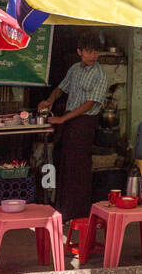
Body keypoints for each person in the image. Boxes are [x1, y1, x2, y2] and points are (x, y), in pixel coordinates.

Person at [38, 34, 108, 222]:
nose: (93, 55)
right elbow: (61, 88)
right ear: (80, 52)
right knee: (65, 165)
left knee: (79, 169)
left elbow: (90, 103)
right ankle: (63, 210)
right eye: (89, 51)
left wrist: (63, 118)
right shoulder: (75, 69)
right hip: (69, 123)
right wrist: (49, 101)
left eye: (96, 52)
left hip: (84, 123)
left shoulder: (100, 74)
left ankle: (78, 214)